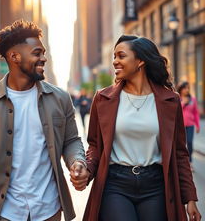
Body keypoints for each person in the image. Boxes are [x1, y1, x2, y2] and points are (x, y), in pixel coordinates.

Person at [0, 20, 89, 221]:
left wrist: (77, 161)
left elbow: (71, 140)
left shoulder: (60, 98)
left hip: (49, 209)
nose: (43, 59)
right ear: (14, 57)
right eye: (37, 53)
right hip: (5, 213)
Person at [83, 35, 201, 221]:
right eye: (114, 56)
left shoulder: (170, 100)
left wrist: (190, 197)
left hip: (155, 185)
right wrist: (87, 170)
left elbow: (180, 152)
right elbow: (95, 145)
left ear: (140, 61)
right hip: (115, 184)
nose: (115, 62)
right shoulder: (103, 99)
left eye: (121, 56)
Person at [177, 81, 200, 169]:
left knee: (189, 142)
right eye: (185, 88)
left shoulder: (192, 99)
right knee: (181, 145)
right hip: (180, 126)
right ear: (181, 89)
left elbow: (196, 113)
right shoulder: (177, 98)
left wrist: (197, 125)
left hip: (190, 125)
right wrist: (183, 104)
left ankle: (190, 162)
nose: (186, 90)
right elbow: (176, 111)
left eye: (188, 88)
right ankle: (182, 163)